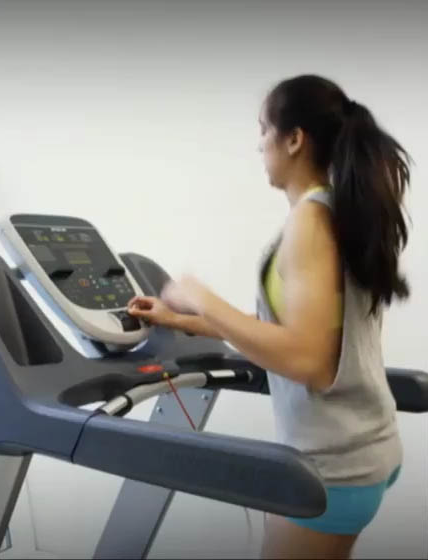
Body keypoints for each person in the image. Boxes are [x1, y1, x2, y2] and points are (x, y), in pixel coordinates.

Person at [127, 74, 412, 559]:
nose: (259, 144)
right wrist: (183, 320)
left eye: (264, 129)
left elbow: (309, 361)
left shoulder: (310, 221)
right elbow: (289, 334)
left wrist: (201, 295)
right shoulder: (339, 211)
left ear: (294, 139)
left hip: (334, 469)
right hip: (365, 451)